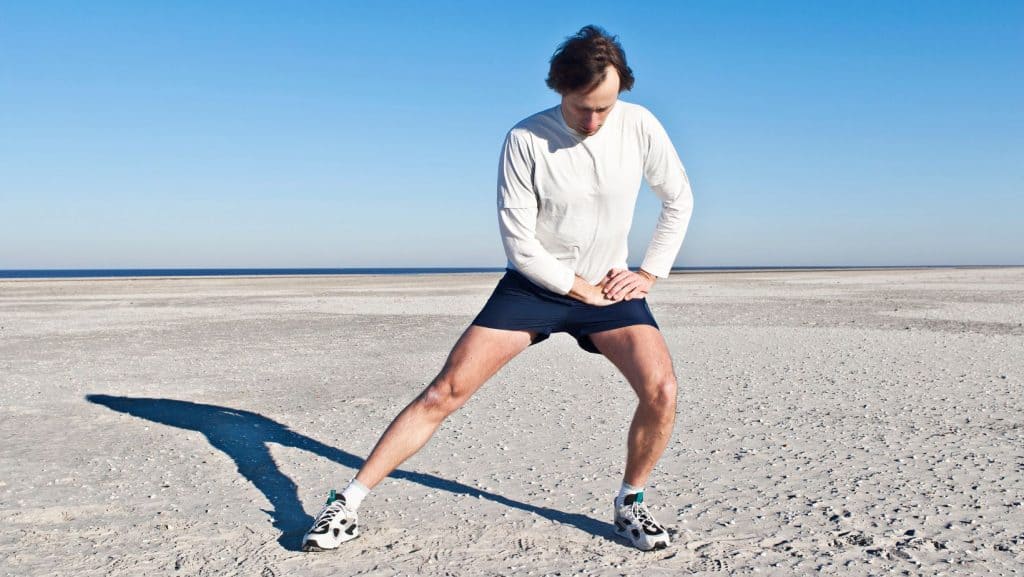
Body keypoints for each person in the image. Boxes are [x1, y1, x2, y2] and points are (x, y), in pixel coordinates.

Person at [302, 24, 694, 552]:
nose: (595, 120)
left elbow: (679, 199)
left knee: (662, 389)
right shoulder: (525, 138)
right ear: (560, 89)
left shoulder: (640, 125)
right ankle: (346, 503)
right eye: (583, 107)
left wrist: (648, 273)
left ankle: (631, 503)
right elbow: (519, 242)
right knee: (445, 391)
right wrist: (574, 288)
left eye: (606, 105)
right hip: (536, 286)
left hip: (608, 287)